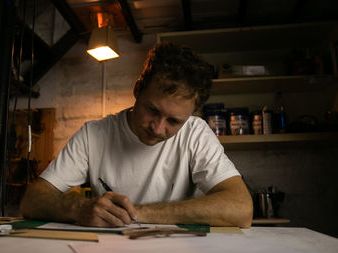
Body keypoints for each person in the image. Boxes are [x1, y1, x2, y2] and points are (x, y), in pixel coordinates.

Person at [20, 42, 253, 228]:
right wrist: (78, 208)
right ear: (137, 89)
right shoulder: (93, 135)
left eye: (174, 121)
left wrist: (137, 213)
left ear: (191, 114)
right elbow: (32, 200)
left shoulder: (196, 132)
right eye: (152, 110)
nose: (158, 128)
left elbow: (241, 208)